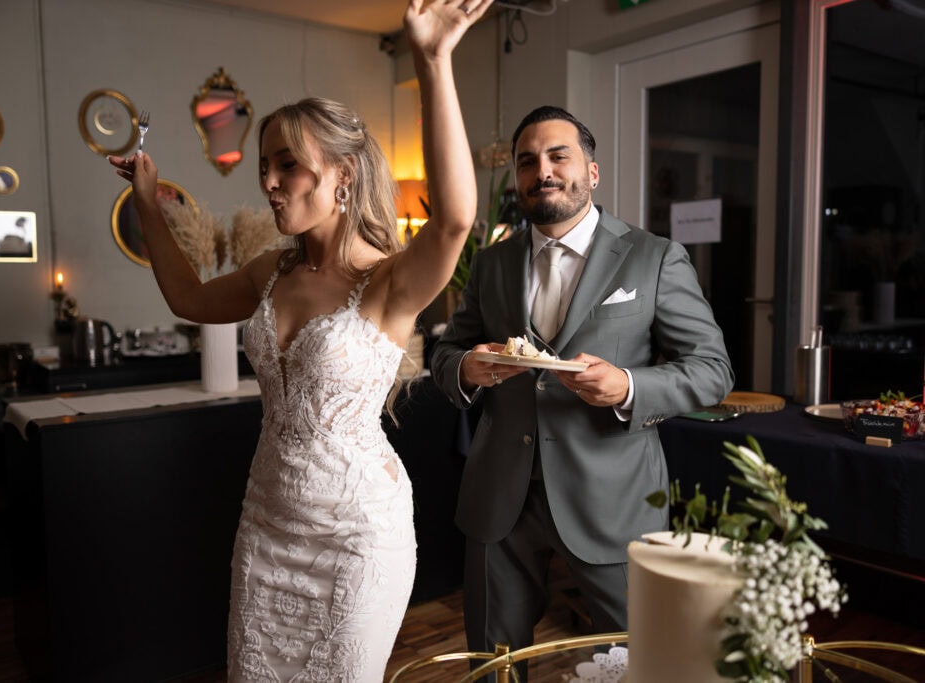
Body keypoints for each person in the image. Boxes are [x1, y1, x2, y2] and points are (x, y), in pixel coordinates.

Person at [108, 0, 491, 679]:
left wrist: (433, 61)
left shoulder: (386, 282)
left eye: (287, 165)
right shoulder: (271, 269)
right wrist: (145, 198)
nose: (269, 182)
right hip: (266, 525)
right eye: (264, 165)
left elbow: (456, 222)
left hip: (356, 536)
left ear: (342, 174)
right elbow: (189, 298)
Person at [430, 105, 734, 676]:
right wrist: (467, 367)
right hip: (501, 497)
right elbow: (446, 353)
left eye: (557, 156)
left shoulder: (654, 257)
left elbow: (713, 369)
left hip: (612, 499)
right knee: (493, 662)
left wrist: (627, 385)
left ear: (591, 173)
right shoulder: (491, 263)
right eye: (527, 161)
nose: (541, 170)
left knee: (637, 657)